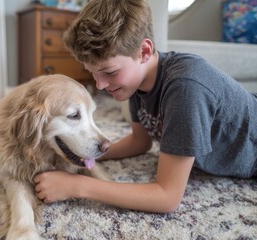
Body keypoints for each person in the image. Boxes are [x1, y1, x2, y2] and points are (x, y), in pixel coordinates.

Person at [34, 0, 257, 213]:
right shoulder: (135, 82)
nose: (100, 85)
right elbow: (140, 142)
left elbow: (167, 197)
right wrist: (84, 154)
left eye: (110, 72)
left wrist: (76, 185)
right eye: (92, 72)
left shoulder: (185, 88)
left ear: (144, 51)